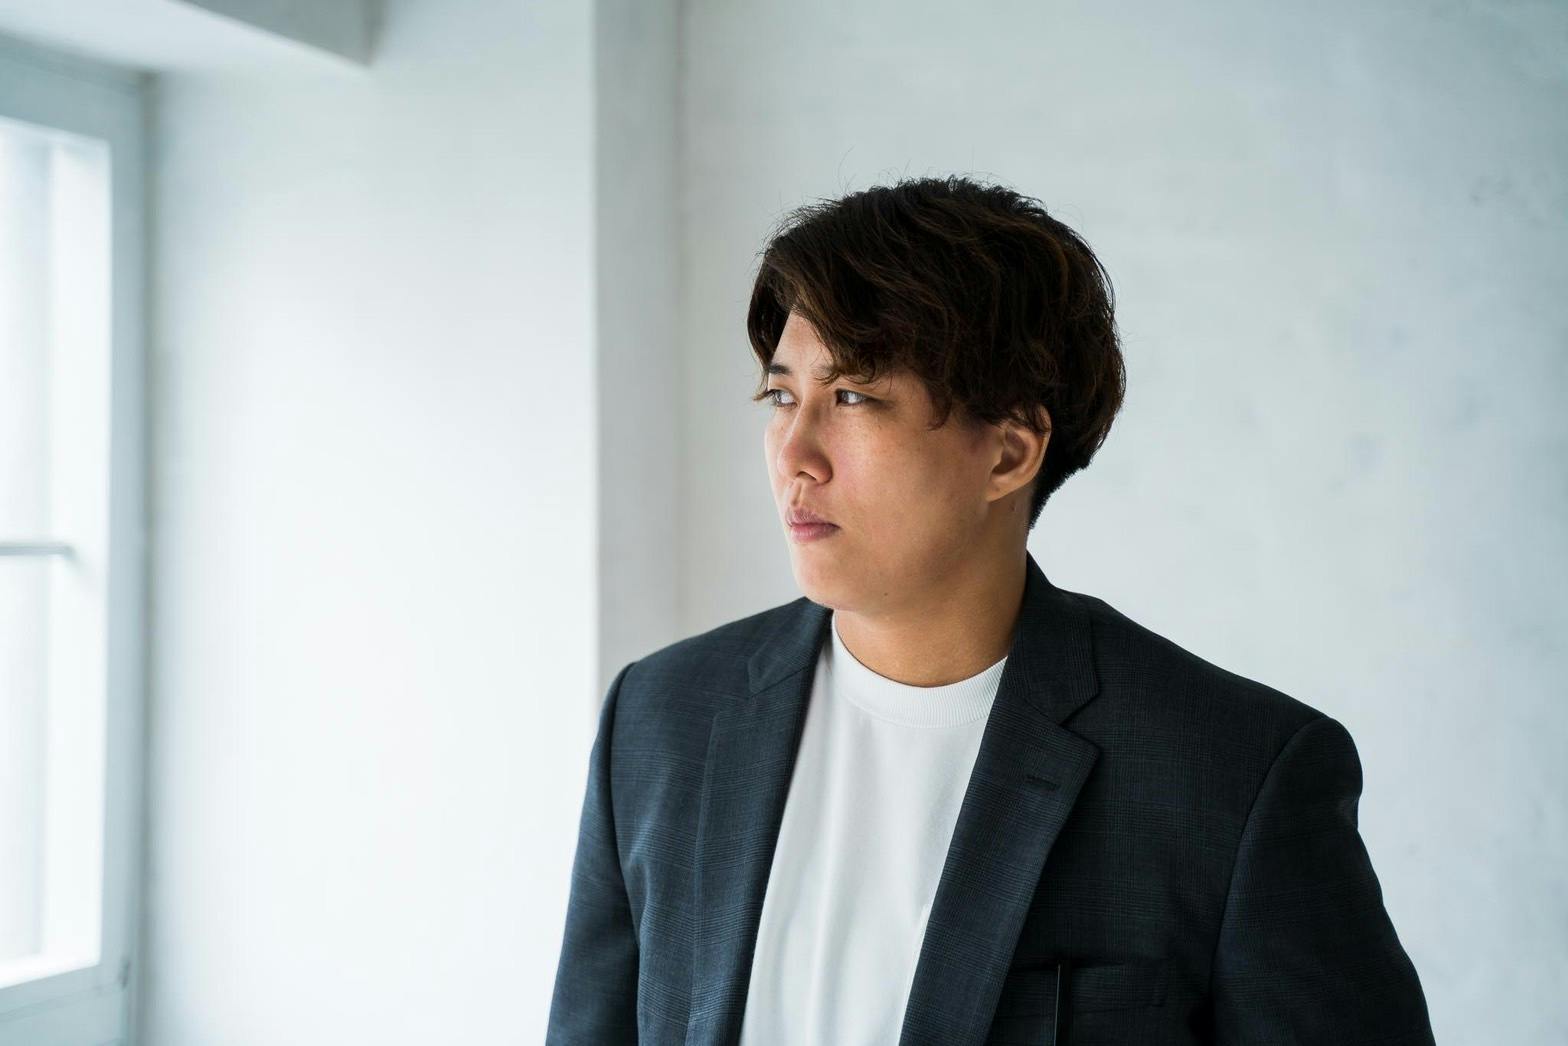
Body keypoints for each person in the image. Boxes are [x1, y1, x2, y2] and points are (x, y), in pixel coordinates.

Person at [546, 175, 1435, 1045]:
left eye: (853, 396)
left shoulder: (1233, 777)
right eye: (783, 396)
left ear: (1009, 453)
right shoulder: (661, 721)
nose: (794, 454)